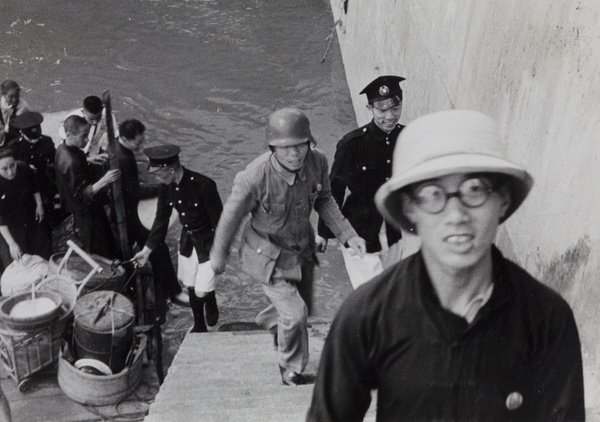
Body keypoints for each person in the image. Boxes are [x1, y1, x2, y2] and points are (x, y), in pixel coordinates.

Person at [307, 110, 585, 421]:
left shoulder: (546, 318)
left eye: (475, 190)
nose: (456, 215)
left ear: (503, 200)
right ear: (410, 209)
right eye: (432, 194)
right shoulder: (365, 316)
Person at [210, 108, 366, 386]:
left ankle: (272, 320)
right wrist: (218, 257)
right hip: (267, 254)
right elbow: (230, 218)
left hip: (301, 248)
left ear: (310, 143)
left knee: (301, 308)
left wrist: (348, 235)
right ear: (272, 148)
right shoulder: (254, 177)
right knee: (296, 315)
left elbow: (325, 200)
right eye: (286, 148)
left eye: (301, 146)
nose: (295, 154)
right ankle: (290, 368)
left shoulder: (317, 162)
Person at [316, 75, 405, 289]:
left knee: (393, 291)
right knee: (369, 294)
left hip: (396, 232)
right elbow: (333, 191)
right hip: (359, 231)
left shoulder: (408, 138)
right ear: (370, 108)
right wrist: (323, 233)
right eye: (382, 110)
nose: (389, 116)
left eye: (395, 108)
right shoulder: (352, 145)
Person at [131, 144, 222, 333]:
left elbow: (220, 223)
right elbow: (161, 219)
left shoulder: (204, 185)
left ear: (171, 170)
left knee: (200, 290)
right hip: (188, 241)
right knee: (190, 284)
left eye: (158, 174)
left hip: (208, 243)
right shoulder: (167, 187)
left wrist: (220, 252)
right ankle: (199, 325)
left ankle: (210, 297)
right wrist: (147, 250)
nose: (156, 178)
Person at [114, 119, 189, 316]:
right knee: (158, 246)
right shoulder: (123, 158)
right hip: (129, 211)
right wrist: (161, 189)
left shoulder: (118, 147)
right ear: (123, 138)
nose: (141, 145)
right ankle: (173, 293)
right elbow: (133, 192)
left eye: (142, 140)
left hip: (124, 206)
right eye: (137, 143)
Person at [55, 115, 120, 259]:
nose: (86, 141)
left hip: (78, 205)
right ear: (69, 135)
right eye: (83, 137)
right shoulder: (70, 163)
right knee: (99, 243)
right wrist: (104, 180)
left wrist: (88, 159)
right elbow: (81, 195)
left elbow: (77, 160)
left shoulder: (62, 149)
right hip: (84, 211)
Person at [8, 111, 66, 231]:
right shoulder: (14, 147)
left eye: (37, 138)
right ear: (22, 133)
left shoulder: (46, 142)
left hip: (44, 183)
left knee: (52, 212)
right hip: (24, 187)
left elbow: (54, 161)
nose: (35, 141)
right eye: (31, 139)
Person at [0, 148, 50, 264]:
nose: (10, 171)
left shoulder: (23, 167)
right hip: (12, 226)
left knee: (43, 251)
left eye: (12, 166)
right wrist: (12, 243)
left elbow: (35, 187)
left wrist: (39, 205)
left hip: (31, 216)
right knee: (22, 258)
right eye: (4, 169)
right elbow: (0, 219)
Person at [58, 95, 117, 165]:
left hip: (94, 153)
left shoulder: (108, 117)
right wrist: (86, 159)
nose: (95, 122)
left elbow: (115, 135)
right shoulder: (73, 121)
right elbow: (67, 148)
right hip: (75, 157)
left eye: (98, 118)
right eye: (91, 119)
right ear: (83, 112)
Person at [0, 80, 29, 147]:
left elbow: (13, 126)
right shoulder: (1, 103)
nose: (14, 99)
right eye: (10, 97)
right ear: (4, 95)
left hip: (16, 132)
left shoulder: (22, 107)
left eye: (17, 95)